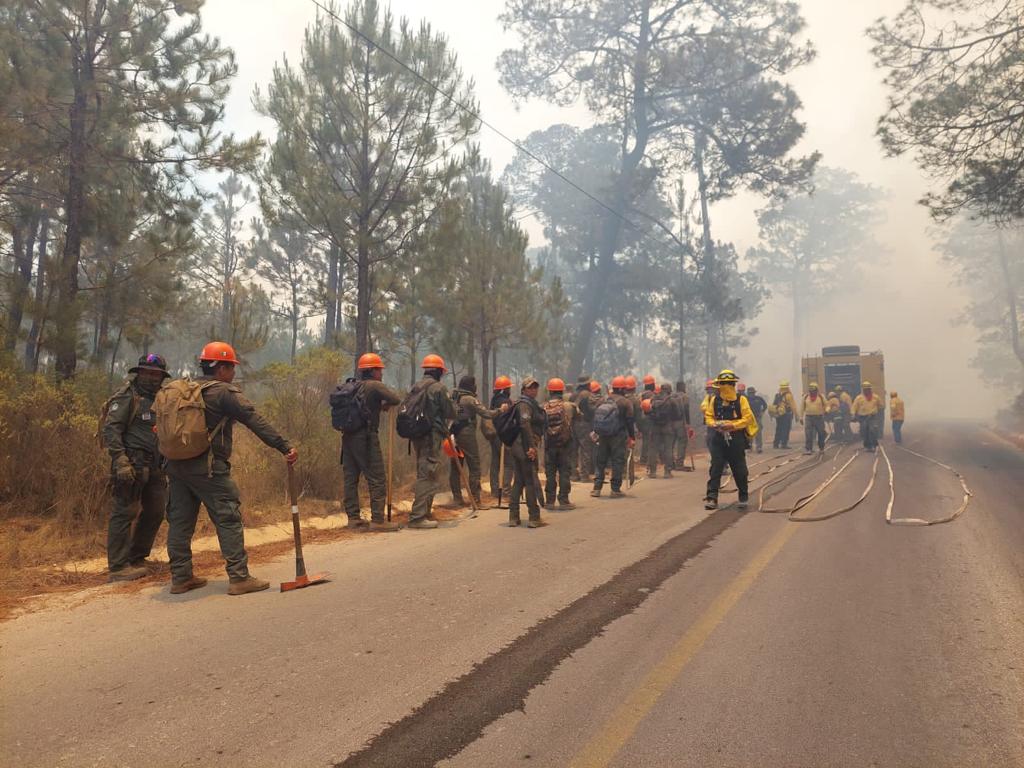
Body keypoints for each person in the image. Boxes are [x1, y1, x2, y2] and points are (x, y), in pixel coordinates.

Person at [164, 342, 297, 595]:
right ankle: (239, 577)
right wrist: (284, 446)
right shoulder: (223, 392)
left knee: (180, 522)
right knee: (228, 517)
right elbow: (254, 420)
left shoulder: (184, 390)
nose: (234, 373)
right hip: (207, 468)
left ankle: (180, 578)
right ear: (221, 368)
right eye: (232, 368)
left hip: (175, 465)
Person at [101, 353, 171, 582]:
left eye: (156, 374)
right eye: (147, 373)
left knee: (156, 511)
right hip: (131, 465)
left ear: (162, 377)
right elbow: (111, 429)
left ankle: (137, 557)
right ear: (138, 373)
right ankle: (118, 567)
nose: (151, 377)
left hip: (156, 466)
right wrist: (120, 461)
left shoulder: (163, 399)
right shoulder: (127, 397)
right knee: (124, 512)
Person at [340, 353, 401, 532]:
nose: (381, 373)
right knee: (377, 477)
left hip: (348, 437)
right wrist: (385, 404)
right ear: (372, 371)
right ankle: (378, 520)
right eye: (379, 370)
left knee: (351, 478)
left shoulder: (353, 386)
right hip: (366, 437)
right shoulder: (375, 385)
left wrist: (378, 406)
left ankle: (353, 519)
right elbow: (395, 399)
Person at [408, 354, 456, 529]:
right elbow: (451, 412)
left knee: (425, 471)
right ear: (438, 372)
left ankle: (426, 511)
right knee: (427, 473)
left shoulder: (416, 386)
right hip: (431, 436)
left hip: (417, 435)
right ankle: (417, 517)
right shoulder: (439, 388)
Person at [448, 375, 506, 509]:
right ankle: (475, 499)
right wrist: (500, 410)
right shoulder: (469, 399)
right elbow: (487, 414)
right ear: (470, 386)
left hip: (452, 434)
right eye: (474, 385)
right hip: (466, 433)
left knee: (456, 466)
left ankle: (457, 498)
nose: (475, 387)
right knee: (474, 465)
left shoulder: (453, 397)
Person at [703, 369, 758, 511]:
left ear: (733, 384)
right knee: (716, 468)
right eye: (723, 384)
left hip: (736, 439)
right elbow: (708, 416)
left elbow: (747, 418)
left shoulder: (741, 400)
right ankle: (712, 497)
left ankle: (743, 496)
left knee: (740, 469)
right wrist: (714, 424)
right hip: (718, 438)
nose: (725, 387)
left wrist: (732, 425)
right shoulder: (714, 400)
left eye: (728, 384)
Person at [509, 377, 547, 527]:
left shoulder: (529, 403)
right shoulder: (524, 405)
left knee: (519, 481)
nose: (533, 390)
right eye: (530, 388)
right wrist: (531, 447)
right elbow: (525, 425)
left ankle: (513, 517)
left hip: (518, 447)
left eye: (535, 387)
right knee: (530, 481)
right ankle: (534, 517)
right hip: (524, 447)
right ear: (523, 390)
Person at [591, 376, 636, 498]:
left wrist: (595, 431)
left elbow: (596, 415)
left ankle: (596, 488)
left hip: (603, 435)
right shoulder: (626, 402)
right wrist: (632, 437)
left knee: (600, 461)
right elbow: (630, 421)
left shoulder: (603, 400)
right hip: (618, 436)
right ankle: (615, 489)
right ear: (622, 389)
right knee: (617, 461)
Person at [542, 378, 578, 509]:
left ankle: (549, 501)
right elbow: (579, 417)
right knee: (564, 471)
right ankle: (563, 500)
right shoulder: (568, 406)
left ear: (549, 392)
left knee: (550, 473)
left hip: (549, 445)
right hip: (564, 444)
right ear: (562, 391)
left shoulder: (543, 407)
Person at [483, 376, 515, 502]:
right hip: (503, 435)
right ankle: (506, 491)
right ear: (504, 389)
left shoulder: (494, 400)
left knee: (495, 463)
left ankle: (495, 490)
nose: (510, 390)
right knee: (508, 463)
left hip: (494, 435)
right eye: (508, 388)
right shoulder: (505, 402)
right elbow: (507, 420)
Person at [647, 383, 678, 479]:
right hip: (668, 427)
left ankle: (652, 472)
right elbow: (678, 414)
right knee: (668, 449)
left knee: (653, 449)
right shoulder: (672, 400)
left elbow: (648, 412)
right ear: (669, 390)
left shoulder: (653, 399)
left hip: (655, 427)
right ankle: (667, 472)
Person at [570, 376, 595, 482]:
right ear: (587, 384)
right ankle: (584, 475)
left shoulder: (573, 395)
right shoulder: (588, 395)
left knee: (573, 449)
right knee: (585, 449)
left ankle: (573, 474)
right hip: (585, 424)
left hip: (573, 423)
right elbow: (592, 410)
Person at [851, 381, 882, 451]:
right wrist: (853, 414)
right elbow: (854, 406)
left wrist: (877, 412)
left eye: (868, 389)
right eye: (865, 389)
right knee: (864, 431)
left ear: (870, 389)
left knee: (872, 430)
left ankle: (874, 444)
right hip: (862, 417)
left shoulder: (876, 397)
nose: (866, 390)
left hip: (872, 417)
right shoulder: (859, 398)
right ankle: (867, 446)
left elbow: (880, 406)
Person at [671, 380, 693, 470]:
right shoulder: (685, 397)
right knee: (682, 442)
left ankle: (670, 463)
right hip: (681, 422)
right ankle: (679, 463)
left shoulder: (671, 396)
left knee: (671, 443)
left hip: (670, 423)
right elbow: (686, 410)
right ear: (683, 387)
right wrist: (688, 423)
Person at [801, 382, 827, 454]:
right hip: (808, 417)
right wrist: (800, 417)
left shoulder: (821, 397)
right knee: (808, 433)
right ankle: (809, 449)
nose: (812, 391)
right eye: (811, 390)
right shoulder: (805, 397)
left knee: (821, 433)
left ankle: (821, 448)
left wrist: (827, 410)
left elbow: (827, 405)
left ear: (816, 390)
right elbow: (802, 407)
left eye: (813, 390)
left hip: (819, 417)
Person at [771, 381, 798, 449]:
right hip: (786, 414)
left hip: (779, 415)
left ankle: (776, 444)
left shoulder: (778, 395)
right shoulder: (789, 395)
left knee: (779, 429)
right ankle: (784, 444)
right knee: (786, 429)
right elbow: (793, 406)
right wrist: (796, 415)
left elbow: (774, 404)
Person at [746, 386, 768, 454]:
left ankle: (759, 447)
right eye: (750, 393)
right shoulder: (745, 399)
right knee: (749, 433)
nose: (751, 394)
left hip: (757, 417)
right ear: (748, 393)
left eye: (752, 393)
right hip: (749, 418)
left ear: (754, 393)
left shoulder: (759, 399)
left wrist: (762, 412)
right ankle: (749, 447)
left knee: (758, 432)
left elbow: (765, 405)